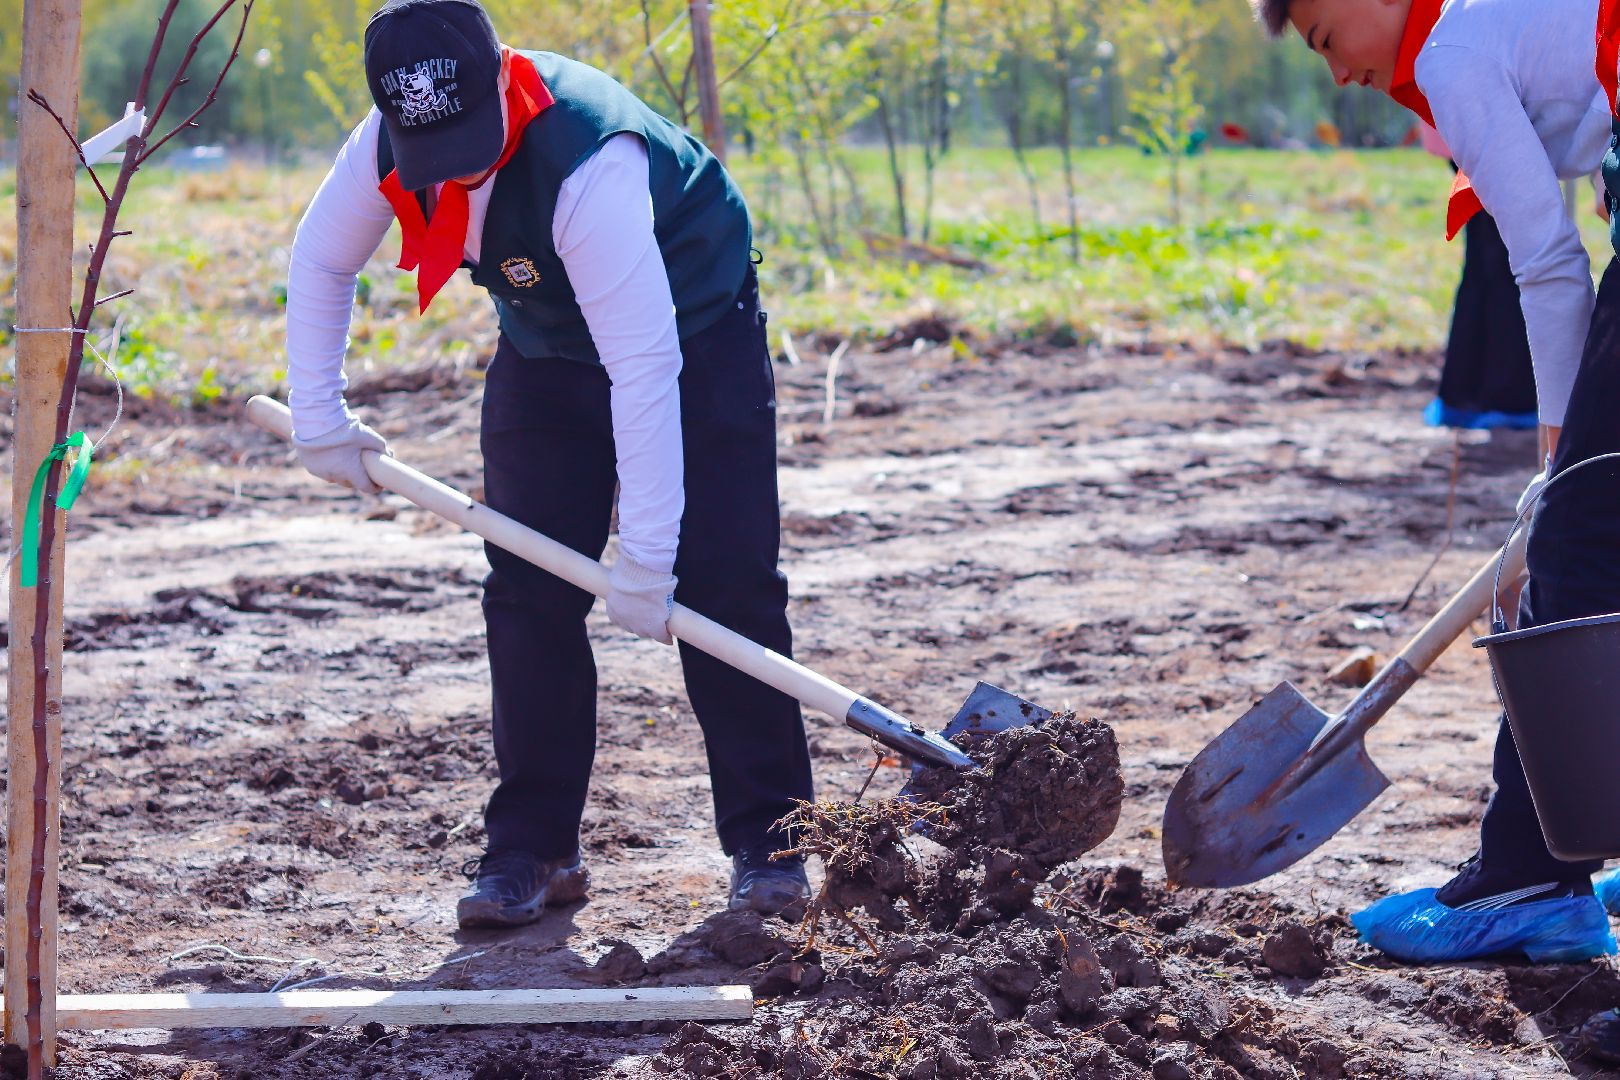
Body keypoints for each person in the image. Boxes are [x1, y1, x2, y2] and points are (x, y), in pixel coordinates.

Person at [282, 0, 814, 929]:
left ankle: (772, 843)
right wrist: (319, 417)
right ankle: (532, 847)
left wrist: (647, 560)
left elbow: (644, 370)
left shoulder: (587, 160)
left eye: (474, 138)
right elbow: (322, 263)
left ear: (499, 80)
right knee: (527, 585)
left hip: (695, 331)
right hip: (545, 348)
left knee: (726, 583)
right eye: (433, 146)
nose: (463, 165)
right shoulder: (376, 147)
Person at [1252, 0, 1620, 965]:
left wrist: (1561, 454)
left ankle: (1531, 878)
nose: (1335, 77)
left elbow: (1545, 264)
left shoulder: (1453, 51)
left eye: (1326, 41)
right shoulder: (1480, 29)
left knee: (1580, 548)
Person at [1417, 124, 1540, 432]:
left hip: (1465, 129)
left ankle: (1464, 392)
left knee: (1485, 257)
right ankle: (1508, 397)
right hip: (1489, 126)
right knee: (1503, 258)